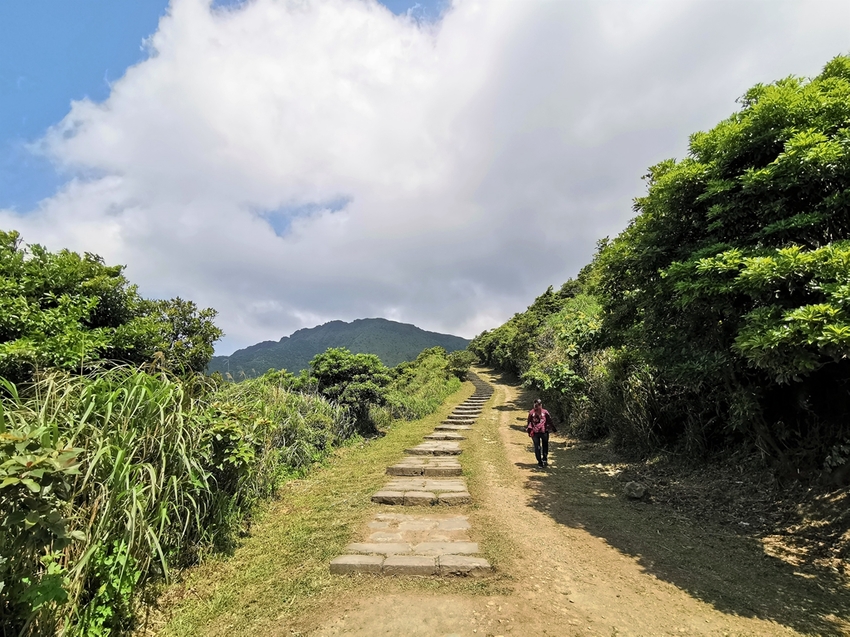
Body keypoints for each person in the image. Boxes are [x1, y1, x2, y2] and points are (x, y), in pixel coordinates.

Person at [526, 398, 556, 467]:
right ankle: (544, 460)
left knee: (537, 447)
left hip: (535, 432)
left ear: (534, 405)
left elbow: (528, 422)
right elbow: (550, 421)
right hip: (544, 432)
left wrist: (529, 431)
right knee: (545, 446)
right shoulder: (545, 412)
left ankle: (540, 462)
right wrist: (554, 429)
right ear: (541, 404)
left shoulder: (531, 412)